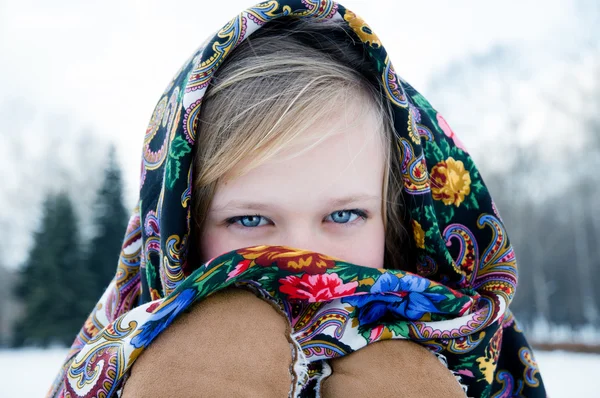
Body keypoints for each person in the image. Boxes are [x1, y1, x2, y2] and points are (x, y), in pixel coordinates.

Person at [47, 1, 547, 397]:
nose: (305, 261)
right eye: (250, 220)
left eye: (344, 214)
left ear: (399, 221)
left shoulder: (480, 363)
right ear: (179, 231)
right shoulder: (115, 371)